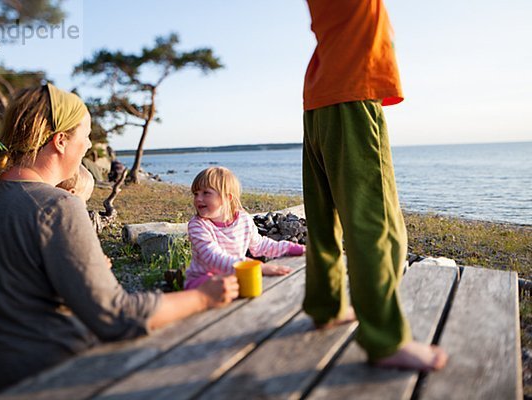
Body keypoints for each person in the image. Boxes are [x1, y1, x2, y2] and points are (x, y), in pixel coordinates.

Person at [0, 84, 239, 399]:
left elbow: (12, 293)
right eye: (85, 135)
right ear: (60, 141)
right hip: (46, 380)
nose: (89, 144)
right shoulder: (56, 205)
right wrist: (203, 297)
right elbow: (116, 317)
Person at [301, 0, 447, 371]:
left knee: (322, 220)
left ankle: (327, 306)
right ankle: (385, 340)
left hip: (319, 103)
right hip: (352, 99)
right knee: (377, 226)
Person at [184, 167, 305, 289]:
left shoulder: (243, 219)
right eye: (196, 194)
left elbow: (260, 245)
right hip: (202, 281)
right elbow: (213, 257)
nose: (198, 199)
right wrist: (259, 267)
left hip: (235, 278)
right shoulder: (198, 225)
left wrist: (292, 248)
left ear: (227, 198)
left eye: (206, 193)